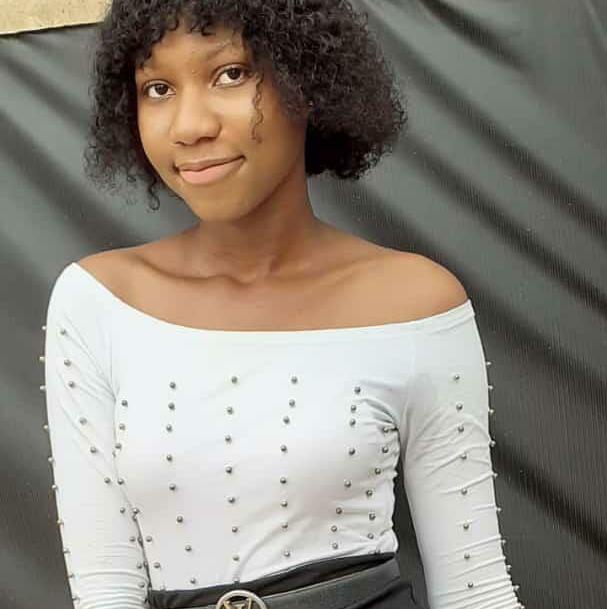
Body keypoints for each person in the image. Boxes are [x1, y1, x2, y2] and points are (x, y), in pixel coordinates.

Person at [43, 2, 524, 609]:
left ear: (308, 80)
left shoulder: (417, 304)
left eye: (230, 74)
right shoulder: (98, 303)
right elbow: (104, 592)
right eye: (158, 88)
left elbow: (476, 592)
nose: (189, 126)